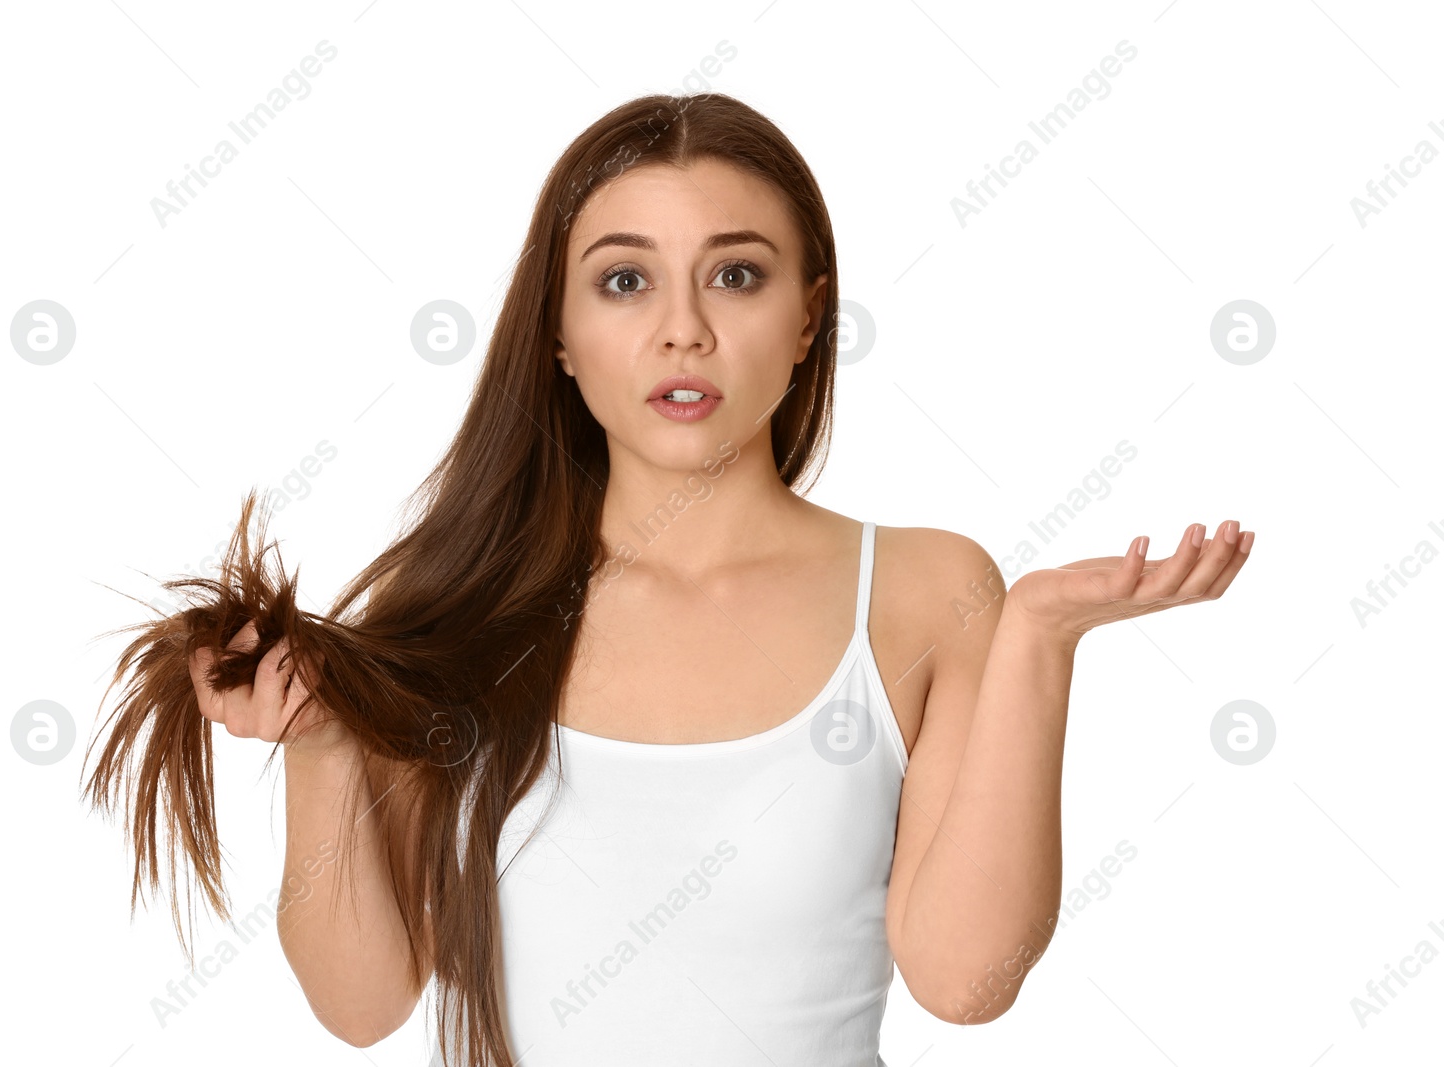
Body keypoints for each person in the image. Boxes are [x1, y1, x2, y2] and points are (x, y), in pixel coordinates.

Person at [81, 92, 1252, 1066]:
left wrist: (1041, 639)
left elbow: (964, 979)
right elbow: (363, 1004)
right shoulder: (452, 614)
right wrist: (324, 740)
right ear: (557, 332)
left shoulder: (923, 590)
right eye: (625, 281)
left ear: (807, 320)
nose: (682, 330)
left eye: (736, 276)